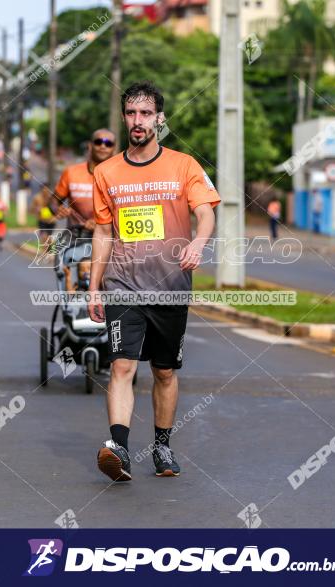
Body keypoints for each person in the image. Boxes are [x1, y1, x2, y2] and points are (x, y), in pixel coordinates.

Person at [89, 81, 219, 481]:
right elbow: (103, 232)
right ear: (124, 117)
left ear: (159, 119)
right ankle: (120, 449)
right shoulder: (107, 172)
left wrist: (199, 243)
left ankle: (162, 446)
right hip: (123, 285)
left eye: (146, 114)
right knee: (122, 365)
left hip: (170, 286)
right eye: (131, 113)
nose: (137, 121)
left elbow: (206, 212)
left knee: (164, 371)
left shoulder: (184, 165)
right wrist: (94, 285)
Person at [54, 129, 116, 290]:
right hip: (75, 235)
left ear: (114, 149)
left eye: (108, 143)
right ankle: (69, 306)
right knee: (59, 265)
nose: (103, 146)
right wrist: (58, 209)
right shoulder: (71, 172)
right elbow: (54, 202)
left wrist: (101, 223)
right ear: (90, 146)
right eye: (98, 142)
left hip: (109, 236)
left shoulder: (120, 176)